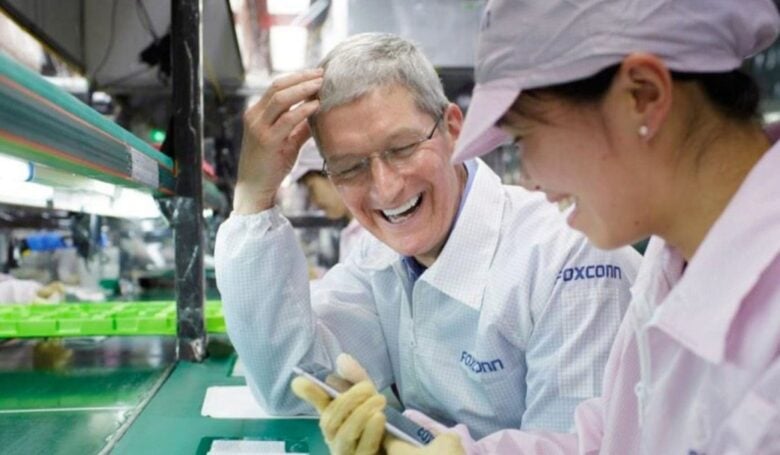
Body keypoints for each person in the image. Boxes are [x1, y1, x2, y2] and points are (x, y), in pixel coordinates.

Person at [343, 0, 778, 453]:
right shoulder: (673, 265)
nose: (529, 176)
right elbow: (612, 441)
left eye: (524, 136)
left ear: (643, 96)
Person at [214, 33, 640, 452]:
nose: (386, 188)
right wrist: (254, 195)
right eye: (349, 167)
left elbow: (583, 446)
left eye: (402, 147)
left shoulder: (570, 255)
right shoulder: (378, 255)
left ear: (453, 128)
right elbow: (292, 387)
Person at [287, 138, 369, 261]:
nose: (314, 202)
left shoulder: (370, 235)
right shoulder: (354, 232)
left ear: (332, 174)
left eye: (312, 189)